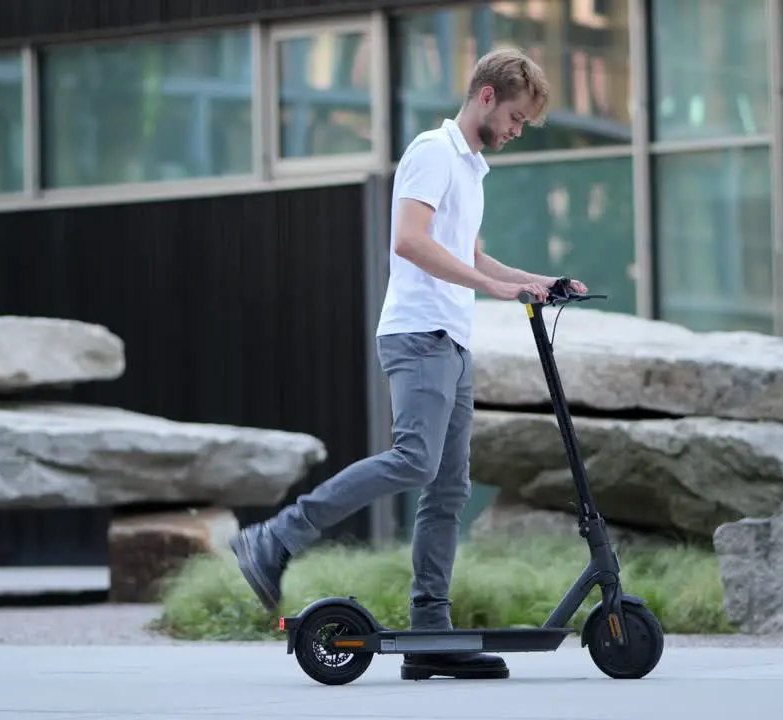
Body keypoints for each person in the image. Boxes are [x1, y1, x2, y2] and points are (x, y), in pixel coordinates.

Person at [229, 47, 588, 681]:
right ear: (485, 97)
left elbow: (469, 252)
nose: (516, 130)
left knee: (448, 488)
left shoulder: (472, 169)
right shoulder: (432, 151)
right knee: (415, 459)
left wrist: (537, 280)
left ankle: (430, 630)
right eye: (515, 117)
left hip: (451, 340)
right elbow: (410, 241)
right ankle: (276, 537)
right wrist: (493, 288)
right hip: (418, 334)